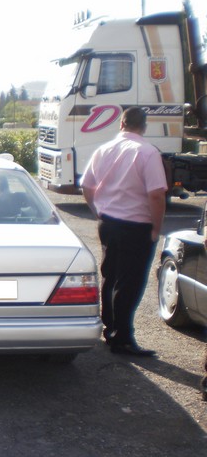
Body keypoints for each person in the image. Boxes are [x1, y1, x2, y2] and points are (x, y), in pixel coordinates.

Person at [81, 106, 167, 357]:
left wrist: (97, 210)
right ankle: (123, 338)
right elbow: (156, 194)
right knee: (129, 282)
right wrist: (156, 228)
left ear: (121, 123)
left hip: (108, 222)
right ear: (144, 126)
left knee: (110, 276)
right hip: (136, 225)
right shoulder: (147, 152)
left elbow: (86, 185)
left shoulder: (103, 149)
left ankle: (110, 329)